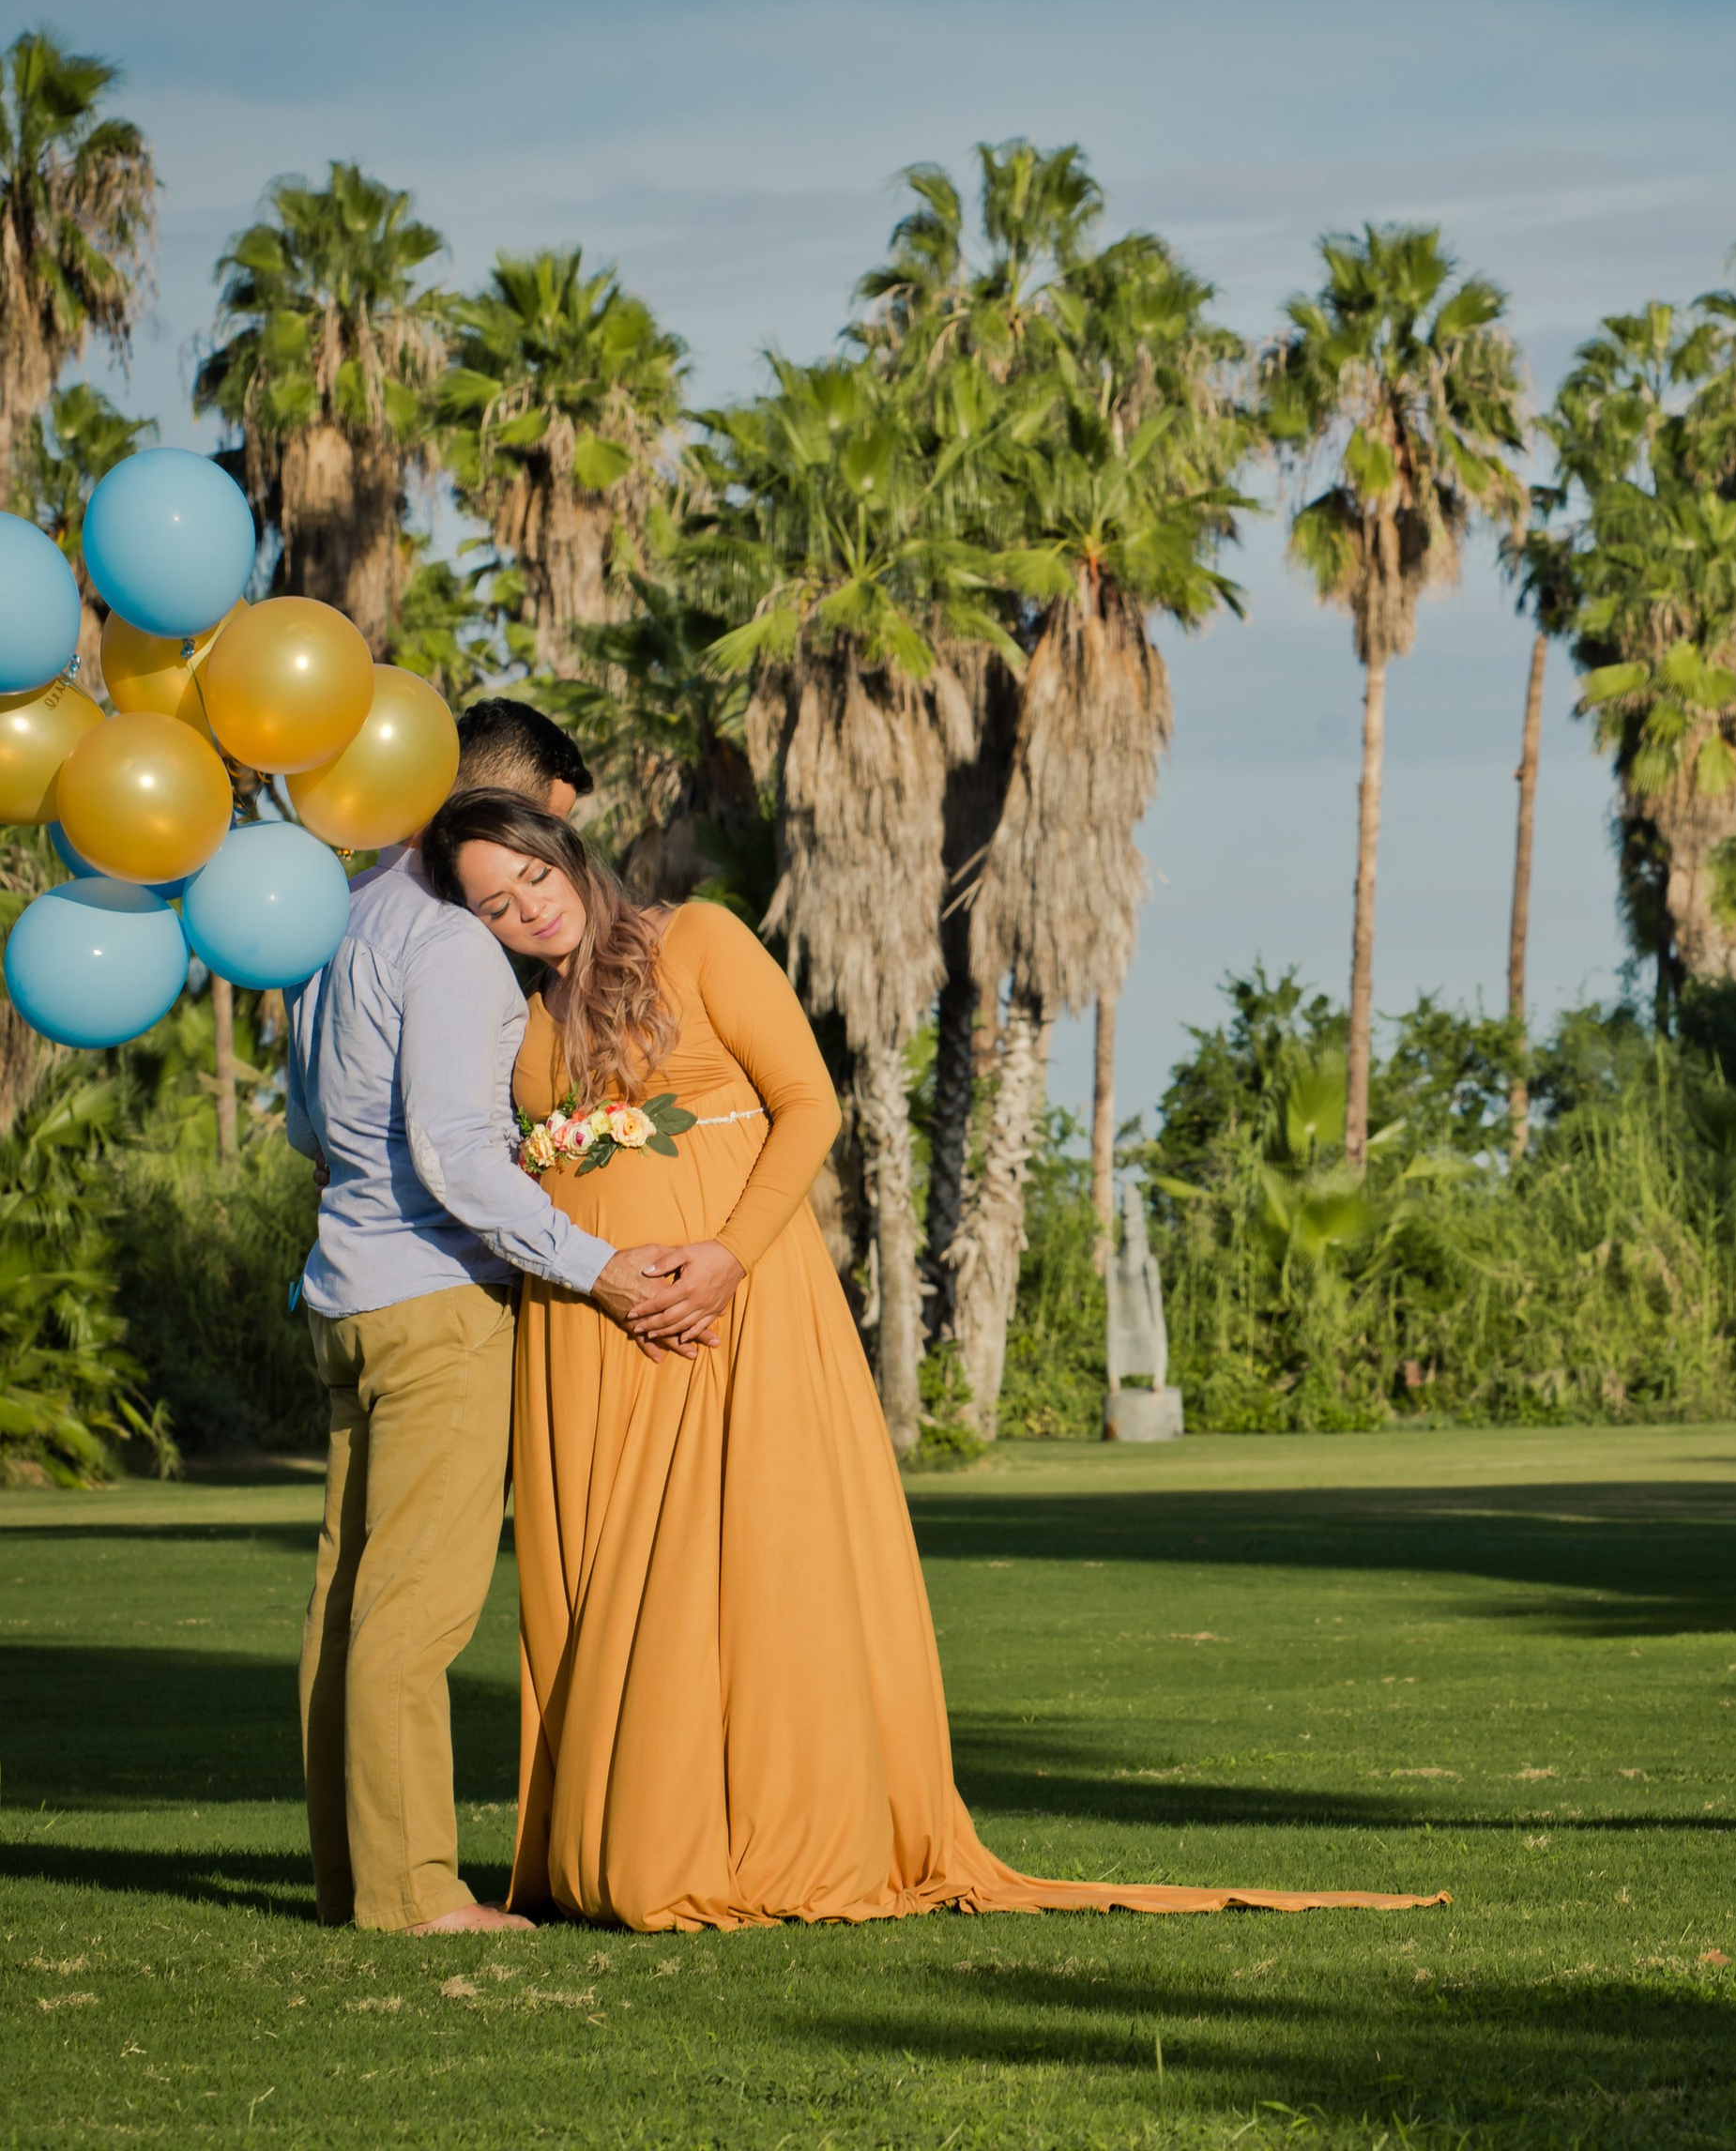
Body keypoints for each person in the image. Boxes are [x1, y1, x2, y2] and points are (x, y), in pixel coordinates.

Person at [419, 787, 1445, 1930]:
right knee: (609, 1573)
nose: (527, 914)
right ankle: (614, 1835)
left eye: (534, 882)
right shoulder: (522, 1020)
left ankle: (738, 1836)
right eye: (495, 907)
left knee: (739, 1560)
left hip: (732, 1308)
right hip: (588, 1337)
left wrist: (724, 1259)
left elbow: (809, 1104)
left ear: (570, 857)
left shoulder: (696, 937)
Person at [285, 703, 682, 1938]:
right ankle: (410, 1898)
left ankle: (355, 1876)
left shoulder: (342, 912)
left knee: (348, 1603)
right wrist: (595, 1266)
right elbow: (455, 1154)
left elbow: (306, 1128)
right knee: (413, 1608)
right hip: (434, 1301)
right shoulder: (455, 942)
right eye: (545, 840)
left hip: (344, 1293)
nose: (546, 880)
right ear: (519, 800)